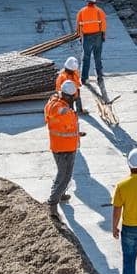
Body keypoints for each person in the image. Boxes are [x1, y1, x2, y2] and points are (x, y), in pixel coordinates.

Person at [45, 80, 85, 218]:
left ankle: (60, 194)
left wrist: (77, 134)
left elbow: (65, 126)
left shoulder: (56, 104)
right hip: (63, 147)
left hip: (67, 144)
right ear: (68, 96)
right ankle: (52, 203)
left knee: (66, 175)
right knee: (63, 175)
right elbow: (63, 118)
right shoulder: (61, 109)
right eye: (73, 96)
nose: (75, 99)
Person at [76, 0, 107, 84]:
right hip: (98, 36)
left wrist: (80, 36)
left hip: (87, 37)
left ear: (86, 0)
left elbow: (78, 26)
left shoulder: (81, 12)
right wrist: (103, 36)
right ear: (95, 1)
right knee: (97, 57)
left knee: (86, 58)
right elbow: (103, 26)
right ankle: (99, 77)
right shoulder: (99, 11)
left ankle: (84, 78)